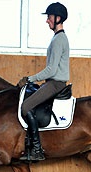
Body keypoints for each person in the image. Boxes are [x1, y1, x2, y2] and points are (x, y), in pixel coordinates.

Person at [18, 2, 70, 161]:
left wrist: (29, 79)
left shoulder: (59, 40)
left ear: (58, 18)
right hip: (52, 82)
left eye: (49, 18)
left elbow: (51, 70)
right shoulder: (57, 38)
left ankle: (36, 149)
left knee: (26, 106)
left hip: (55, 84)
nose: (47, 21)